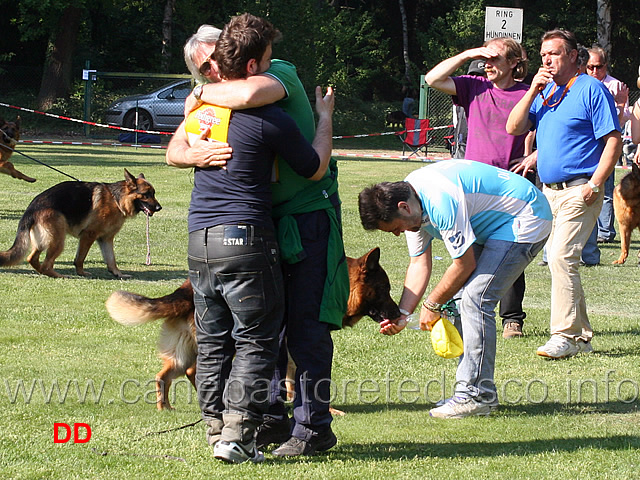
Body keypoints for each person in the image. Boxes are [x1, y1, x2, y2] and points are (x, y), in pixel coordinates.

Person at [167, 20, 349, 457]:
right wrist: (194, 150)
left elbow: (246, 93)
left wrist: (324, 118)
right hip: (254, 230)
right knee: (259, 333)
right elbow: (174, 152)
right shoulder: (216, 105)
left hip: (303, 220)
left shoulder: (276, 74)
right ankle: (259, 422)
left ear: (229, 60)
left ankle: (310, 430)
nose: (208, 75)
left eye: (212, 65)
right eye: (200, 71)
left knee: (300, 329)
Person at [358, 160, 551, 418]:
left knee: (475, 299)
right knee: (461, 301)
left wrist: (432, 304)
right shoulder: (410, 204)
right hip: (493, 227)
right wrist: (402, 314)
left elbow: (464, 263)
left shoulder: (440, 200)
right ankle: (475, 392)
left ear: (403, 208)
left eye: (395, 228)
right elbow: (418, 264)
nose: (397, 234)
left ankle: (476, 396)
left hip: (525, 217)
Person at [506, 29, 622, 359]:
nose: (547, 60)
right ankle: (582, 338)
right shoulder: (545, 92)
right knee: (562, 260)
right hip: (549, 191)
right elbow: (514, 127)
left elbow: (612, 140)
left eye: (554, 54)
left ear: (573, 56)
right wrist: (531, 90)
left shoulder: (591, 89)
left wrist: (596, 183)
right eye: (543, 55)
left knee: (560, 257)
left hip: (579, 189)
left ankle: (564, 336)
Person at [425, 36, 534, 339]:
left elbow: (546, 130)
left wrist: (534, 155)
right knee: (470, 249)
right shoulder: (474, 86)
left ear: (514, 63)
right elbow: (433, 78)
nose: (488, 65)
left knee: (510, 250)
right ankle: (463, 308)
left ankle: (512, 319)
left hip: (513, 186)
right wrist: (469, 53)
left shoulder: (528, 94)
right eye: (484, 60)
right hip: (473, 185)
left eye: (495, 58)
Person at [586, 46, 630, 245]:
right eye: (590, 67)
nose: (595, 72)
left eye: (599, 67)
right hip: (587, 147)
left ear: (606, 66)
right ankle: (590, 231)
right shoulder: (580, 83)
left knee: (604, 189)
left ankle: (605, 231)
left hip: (606, 147)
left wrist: (620, 104)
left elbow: (620, 123)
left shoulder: (616, 87)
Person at [450, 59, 486, 159]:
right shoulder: (461, 97)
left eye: (481, 76)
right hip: (463, 144)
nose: (477, 79)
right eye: (473, 75)